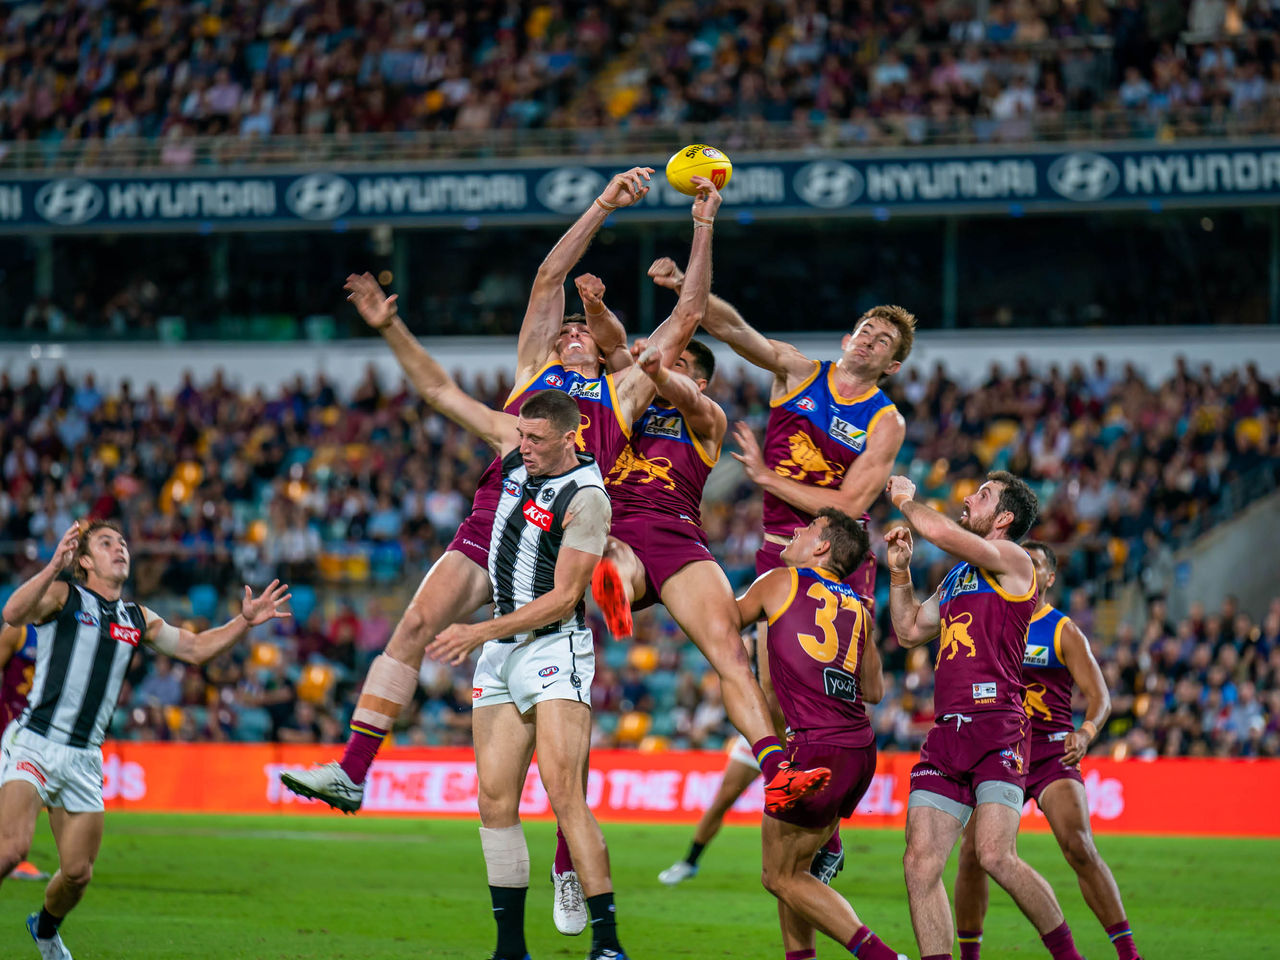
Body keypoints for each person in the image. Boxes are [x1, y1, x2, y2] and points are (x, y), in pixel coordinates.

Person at [279, 164, 663, 813]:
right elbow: (544, 281)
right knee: (417, 623)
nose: (570, 334)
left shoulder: (619, 390)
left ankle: (618, 583)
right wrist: (603, 202)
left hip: (567, 523)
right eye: (563, 330)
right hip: (497, 517)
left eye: (582, 332)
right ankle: (352, 770)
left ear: (602, 347)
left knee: (568, 683)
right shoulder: (529, 384)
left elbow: (662, 337)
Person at [646, 258, 915, 877]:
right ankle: (826, 831)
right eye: (865, 330)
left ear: (891, 365)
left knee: (840, 695)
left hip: (844, 557)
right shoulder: (797, 369)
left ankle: (830, 824)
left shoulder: (885, 419)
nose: (869, 341)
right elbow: (736, 330)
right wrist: (686, 288)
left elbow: (850, 506)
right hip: (780, 550)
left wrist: (767, 477)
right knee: (770, 696)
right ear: (848, 338)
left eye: (883, 342)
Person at [0, 520, 290, 960]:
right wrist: (51, 567)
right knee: (12, 848)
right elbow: (12, 614)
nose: (120, 549)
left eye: (122, 542)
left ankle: (44, 930)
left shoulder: (136, 617)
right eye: (105, 543)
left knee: (77, 874)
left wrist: (243, 623)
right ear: (83, 560)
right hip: (35, 741)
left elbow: (194, 648)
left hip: (84, 758)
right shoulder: (63, 595)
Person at [885, 471, 1086, 960]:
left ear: (1003, 518)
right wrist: (899, 572)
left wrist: (908, 503)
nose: (968, 498)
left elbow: (940, 532)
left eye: (983, 495)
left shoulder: (1015, 560)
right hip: (949, 730)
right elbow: (910, 630)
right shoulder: (958, 577)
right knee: (918, 863)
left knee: (995, 855)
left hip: (998, 725)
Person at [954, 542, 1141, 960]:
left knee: (1078, 846)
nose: (1028, 571)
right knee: (972, 854)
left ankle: (1129, 954)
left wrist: (1087, 731)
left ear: (1050, 577)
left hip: (1051, 753)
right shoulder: (994, 621)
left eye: (1036, 565)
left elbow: (1101, 697)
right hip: (1000, 752)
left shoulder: (1061, 630)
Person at [736, 509, 908, 960]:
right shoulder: (858, 607)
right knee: (798, 872)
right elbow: (874, 690)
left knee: (779, 876)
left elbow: (722, 622)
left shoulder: (779, 581)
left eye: (807, 528)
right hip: (858, 749)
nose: (795, 531)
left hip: (814, 746)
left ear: (822, 547)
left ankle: (883, 956)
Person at [0, 622, 51, 881]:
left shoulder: (62, 631)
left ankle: (16, 856)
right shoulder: (18, 631)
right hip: (9, 724)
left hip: (41, 729)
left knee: (29, 794)